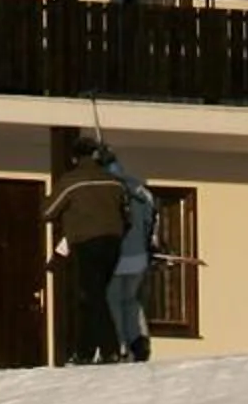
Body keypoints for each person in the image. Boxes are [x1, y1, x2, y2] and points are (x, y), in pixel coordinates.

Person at [41, 133, 129, 364]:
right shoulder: (115, 182)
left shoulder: (71, 181)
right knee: (91, 296)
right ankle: (85, 351)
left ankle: (110, 350)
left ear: (74, 158)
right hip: (114, 243)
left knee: (93, 295)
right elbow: (127, 215)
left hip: (87, 242)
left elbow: (47, 212)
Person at [102, 150, 159, 364]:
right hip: (138, 257)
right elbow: (152, 222)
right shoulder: (142, 192)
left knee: (114, 302)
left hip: (117, 257)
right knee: (132, 301)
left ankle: (121, 345)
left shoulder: (110, 190)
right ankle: (139, 339)